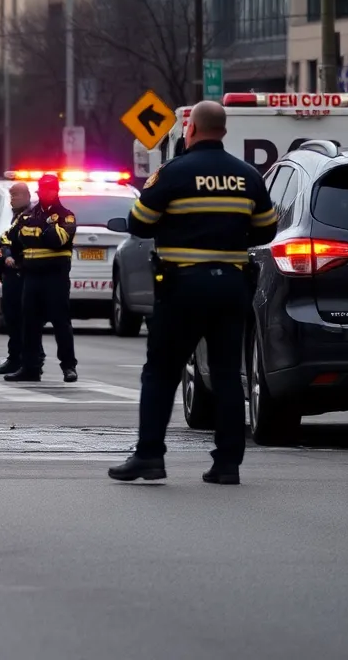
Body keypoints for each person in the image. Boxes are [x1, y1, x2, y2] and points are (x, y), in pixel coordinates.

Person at [108, 101, 277, 485]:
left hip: (183, 287)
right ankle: (227, 464)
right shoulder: (247, 175)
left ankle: (150, 456)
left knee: (161, 372)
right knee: (226, 374)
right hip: (232, 287)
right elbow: (266, 229)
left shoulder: (173, 173)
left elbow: (140, 222)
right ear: (223, 130)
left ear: (192, 130)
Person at [5, 174, 78, 384]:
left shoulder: (66, 215)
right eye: (42, 189)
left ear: (56, 191)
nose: (44, 193)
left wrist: (34, 233)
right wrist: (41, 231)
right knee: (29, 324)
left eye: (49, 190)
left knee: (60, 323)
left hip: (56, 277)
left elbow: (59, 239)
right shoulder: (28, 214)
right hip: (32, 277)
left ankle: (68, 366)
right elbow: (14, 238)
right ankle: (30, 368)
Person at [0, 181, 40, 376]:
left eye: (17, 195)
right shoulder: (17, 216)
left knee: (24, 319)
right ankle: (16, 358)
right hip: (13, 274)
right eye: (11, 196)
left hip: (23, 273)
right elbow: (6, 239)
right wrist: (6, 252)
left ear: (27, 196)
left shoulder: (31, 216)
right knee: (12, 317)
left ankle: (30, 360)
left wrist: (14, 256)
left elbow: (24, 242)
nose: (13, 199)